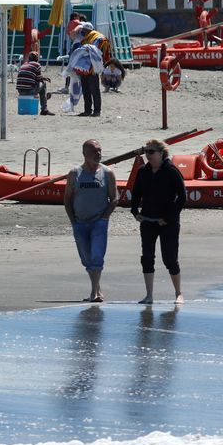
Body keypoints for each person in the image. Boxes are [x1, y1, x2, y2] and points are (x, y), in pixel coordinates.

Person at [130, 138, 187, 305]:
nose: (147, 155)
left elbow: (182, 197)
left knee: (170, 258)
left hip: (168, 223)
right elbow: (136, 193)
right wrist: (135, 211)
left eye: (151, 151)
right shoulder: (143, 171)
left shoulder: (171, 171)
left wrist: (169, 217)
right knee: (147, 257)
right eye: (145, 151)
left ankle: (178, 293)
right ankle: (149, 296)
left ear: (161, 153)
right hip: (147, 220)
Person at [64, 139, 117, 303]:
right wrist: (73, 221)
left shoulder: (107, 173)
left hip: (98, 222)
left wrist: (104, 218)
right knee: (86, 258)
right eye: (94, 151)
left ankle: (94, 292)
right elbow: (67, 199)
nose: (98, 154)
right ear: (84, 154)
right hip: (80, 222)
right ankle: (97, 288)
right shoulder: (75, 173)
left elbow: (114, 198)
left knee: (97, 256)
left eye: (100, 150)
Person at [16, 51, 54, 115]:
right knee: (43, 83)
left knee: (40, 82)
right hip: (29, 90)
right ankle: (44, 109)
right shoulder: (37, 65)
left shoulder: (24, 64)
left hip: (20, 91)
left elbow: (32, 76)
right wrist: (43, 79)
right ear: (37, 59)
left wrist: (43, 77)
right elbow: (38, 79)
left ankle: (43, 98)